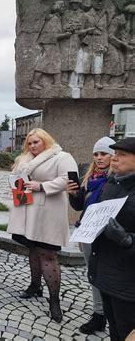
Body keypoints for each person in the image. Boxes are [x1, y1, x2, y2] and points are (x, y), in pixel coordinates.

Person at [7, 128, 78, 323]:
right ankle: (35, 286)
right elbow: (18, 179)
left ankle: (54, 301)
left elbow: (68, 178)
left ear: (45, 140)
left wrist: (42, 186)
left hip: (48, 211)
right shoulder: (25, 158)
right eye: (29, 143)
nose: (32, 146)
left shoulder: (61, 156)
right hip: (27, 209)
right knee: (33, 249)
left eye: (36, 142)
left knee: (47, 254)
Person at [88, 137, 135, 341]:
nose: (114, 159)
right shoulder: (111, 183)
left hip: (128, 280)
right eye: (114, 154)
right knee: (115, 329)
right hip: (106, 270)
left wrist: (127, 239)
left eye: (122, 155)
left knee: (127, 330)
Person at [67, 137, 115, 334]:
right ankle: (99, 315)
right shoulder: (89, 178)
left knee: (109, 276)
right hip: (88, 233)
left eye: (104, 154)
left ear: (113, 156)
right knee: (93, 275)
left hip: (108, 235)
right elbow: (79, 206)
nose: (99, 157)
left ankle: (113, 315)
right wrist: (72, 193)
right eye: (96, 154)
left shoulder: (115, 179)